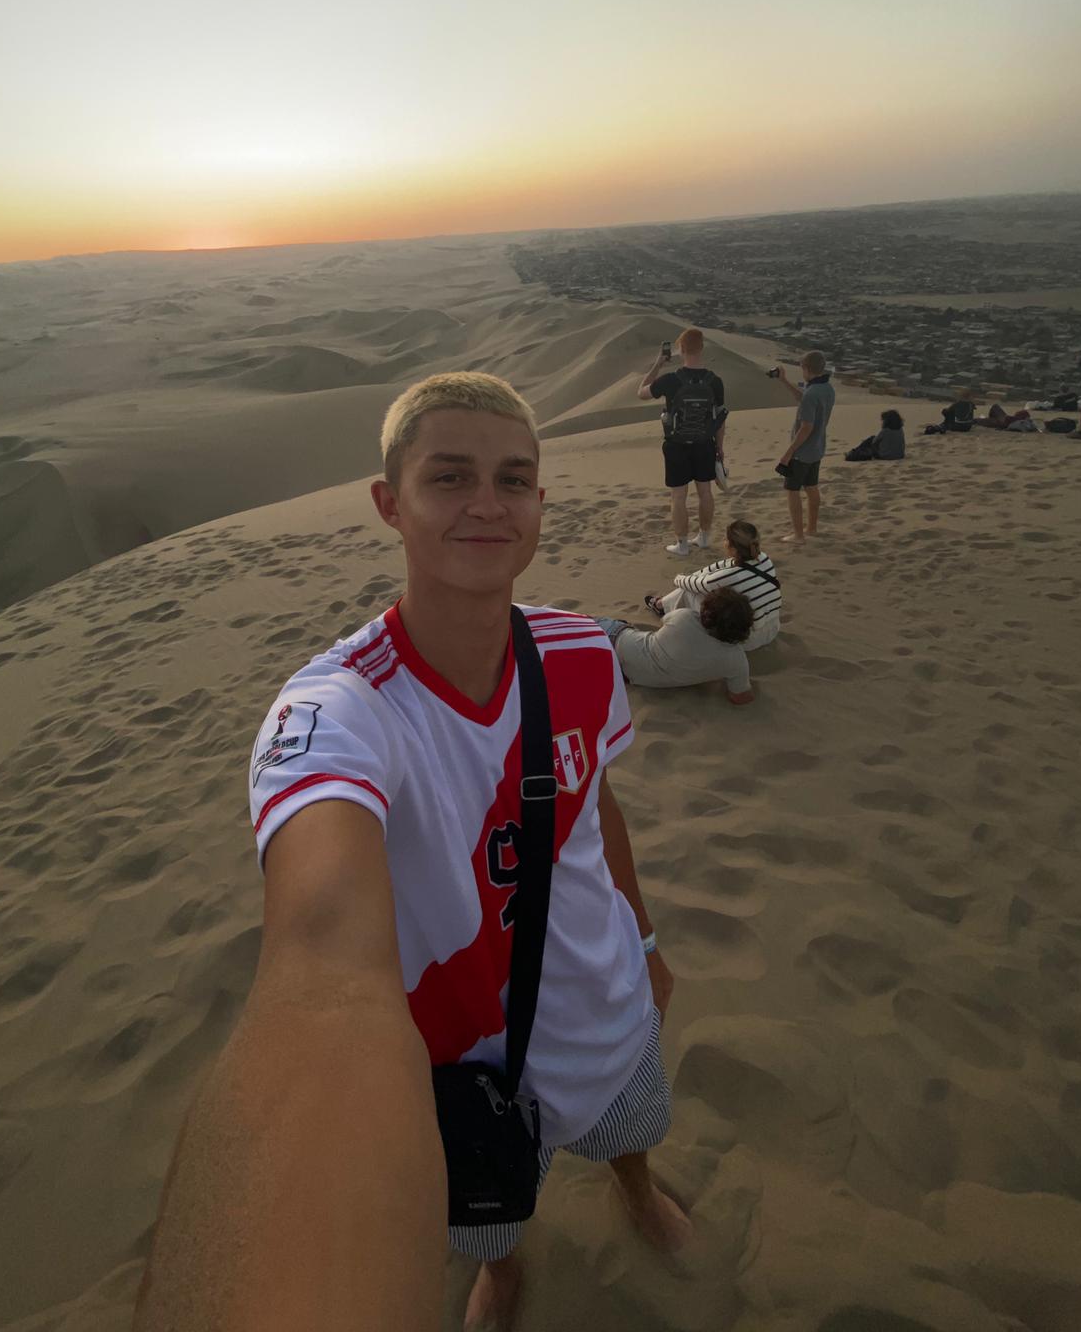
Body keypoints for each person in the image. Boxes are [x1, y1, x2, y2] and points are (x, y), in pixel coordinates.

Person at [134, 373, 685, 1332]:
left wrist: (642, 942)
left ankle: (636, 1188)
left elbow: (594, 805)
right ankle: (504, 1270)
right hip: (462, 1066)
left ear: (540, 502)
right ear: (391, 503)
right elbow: (320, 960)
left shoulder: (584, 655)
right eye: (450, 477)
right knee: (488, 1209)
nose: (488, 504)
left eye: (514, 480)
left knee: (632, 1125)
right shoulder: (338, 711)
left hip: (606, 1001)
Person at [638, 328, 728, 555]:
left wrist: (658, 363)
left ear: (681, 349)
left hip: (676, 446)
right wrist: (719, 447)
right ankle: (704, 538)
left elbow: (641, 393)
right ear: (702, 348)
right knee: (705, 492)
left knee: (678, 496)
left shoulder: (671, 380)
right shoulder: (714, 381)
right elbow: (720, 419)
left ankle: (682, 544)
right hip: (705, 444)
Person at [643, 518, 781, 651]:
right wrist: (697, 575)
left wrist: (678, 578)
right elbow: (720, 566)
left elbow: (697, 584)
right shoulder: (764, 559)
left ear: (733, 549)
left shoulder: (730, 576)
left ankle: (661, 606)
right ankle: (663, 604)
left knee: (689, 591)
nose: (724, 542)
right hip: (772, 629)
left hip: (747, 639)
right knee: (708, 590)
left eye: (726, 540)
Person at [597, 588, 757, 701]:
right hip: (626, 675)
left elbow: (665, 621)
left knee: (593, 623)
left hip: (615, 642)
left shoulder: (684, 617)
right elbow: (740, 697)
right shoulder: (737, 660)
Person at [771, 351, 835, 544]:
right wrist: (784, 381)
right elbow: (804, 397)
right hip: (816, 448)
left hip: (802, 452)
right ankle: (811, 529)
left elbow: (806, 427)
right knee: (811, 487)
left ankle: (798, 535)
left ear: (806, 369)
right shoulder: (826, 388)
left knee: (792, 490)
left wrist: (788, 453)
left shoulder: (812, 393)